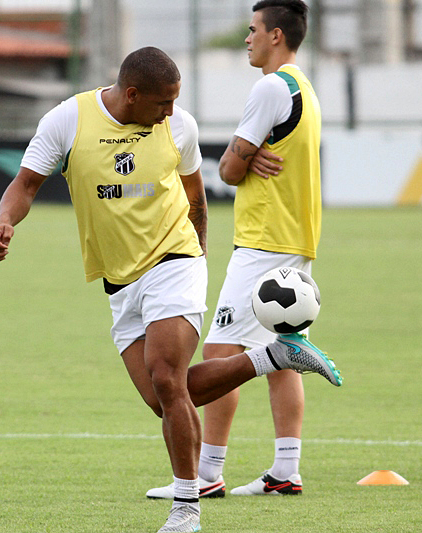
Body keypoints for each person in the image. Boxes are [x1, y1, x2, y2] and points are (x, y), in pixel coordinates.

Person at [0, 46, 339, 533]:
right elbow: (24, 185)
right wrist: (5, 221)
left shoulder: (180, 126)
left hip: (175, 262)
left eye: (176, 101)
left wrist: (196, 259)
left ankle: (187, 509)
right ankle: (274, 357)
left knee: (168, 378)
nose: (171, 112)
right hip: (118, 281)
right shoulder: (67, 121)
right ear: (131, 95)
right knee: (162, 398)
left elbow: (195, 194)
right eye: (162, 103)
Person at [146, 0, 337, 501]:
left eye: (253, 30)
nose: (246, 39)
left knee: (221, 351)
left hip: (264, 241)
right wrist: (248, 156)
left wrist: (244, 160)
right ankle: (285, 469)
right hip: (297, 238)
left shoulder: (271, 87)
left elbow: (228, 170)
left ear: (276, 35)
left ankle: (207, 473)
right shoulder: (305, 88)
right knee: (285, 355)